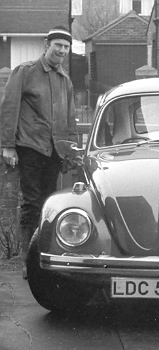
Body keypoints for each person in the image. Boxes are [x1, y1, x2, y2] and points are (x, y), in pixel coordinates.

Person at [0, 26, 78, 279]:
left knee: (50, 205)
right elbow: (9, 108)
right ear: (47, 45)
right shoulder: (25, 72)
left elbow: (70, 120)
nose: (62, 51)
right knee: (32, 205)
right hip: (31, 148)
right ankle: (28, 263)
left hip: (54, 153)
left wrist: (69, 153)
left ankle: (45, 258)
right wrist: (8, 145)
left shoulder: (65, 80)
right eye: (58, 46)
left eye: (66, 47)